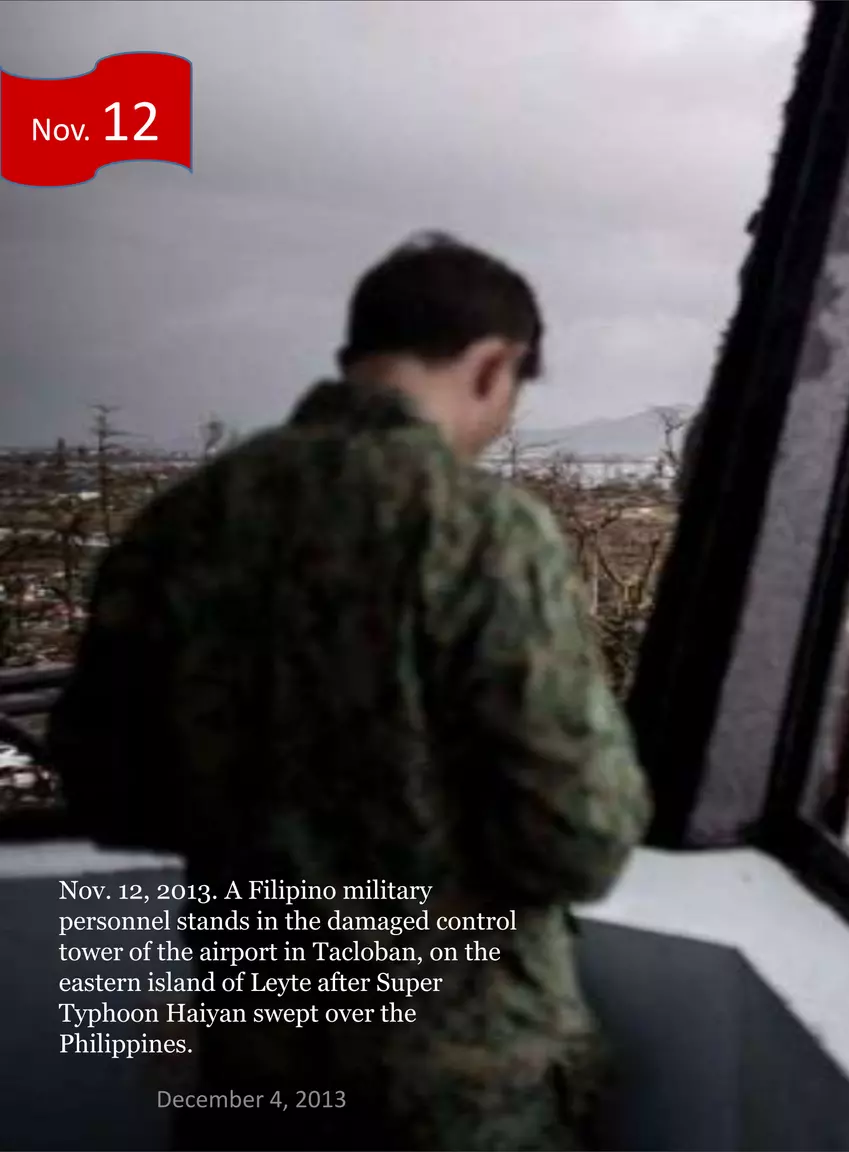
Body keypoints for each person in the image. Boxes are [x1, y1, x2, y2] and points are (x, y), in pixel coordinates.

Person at [47, 232, 651, 1150]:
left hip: (254, 1069)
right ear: (494, 366)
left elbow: (109, 787)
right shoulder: (482, 529)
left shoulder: (186, 521)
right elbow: (582, 835)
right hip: (459, 1080)